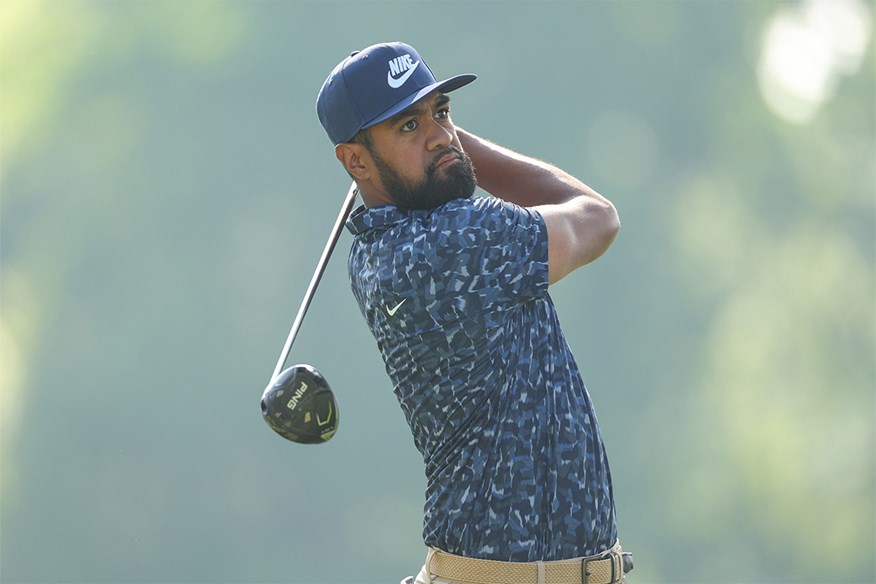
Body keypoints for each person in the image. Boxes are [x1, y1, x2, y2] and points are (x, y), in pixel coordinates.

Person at [316, 42, 632, 584]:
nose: (440, 133)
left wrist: (434, 147)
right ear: (355, 160)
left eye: (442, 112)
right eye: (409, 127)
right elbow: (598, 218)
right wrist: (460, 150)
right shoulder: (457, 241)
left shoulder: (373, 253)